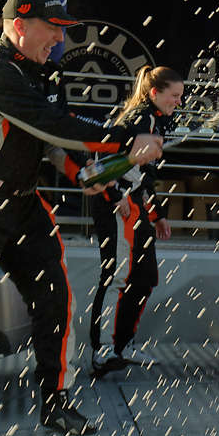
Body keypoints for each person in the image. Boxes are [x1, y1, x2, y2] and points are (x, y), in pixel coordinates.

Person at [0, 0, 164, 436]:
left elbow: (52, 145)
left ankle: (55, 403)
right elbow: (50, 124)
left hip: (25, 202)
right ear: (19, 25)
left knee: (57, 302)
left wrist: (89, 176)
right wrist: (125, 140)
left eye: (61, 30)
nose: (58, 39)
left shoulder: (45, 72)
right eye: (52, 29)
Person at [72, 66, 182, 379]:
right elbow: (102, 161)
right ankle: (102, 350)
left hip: (135, 205)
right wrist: (115, 193)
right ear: (154, 93)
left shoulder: (155, 119)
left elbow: (144, 174)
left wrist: (156, 214)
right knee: (117, 276)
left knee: (145, 277)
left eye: (180, 96)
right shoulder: (138, 118)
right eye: (174, 95)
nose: (178, 102)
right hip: (116, 206)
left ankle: (123, 344)